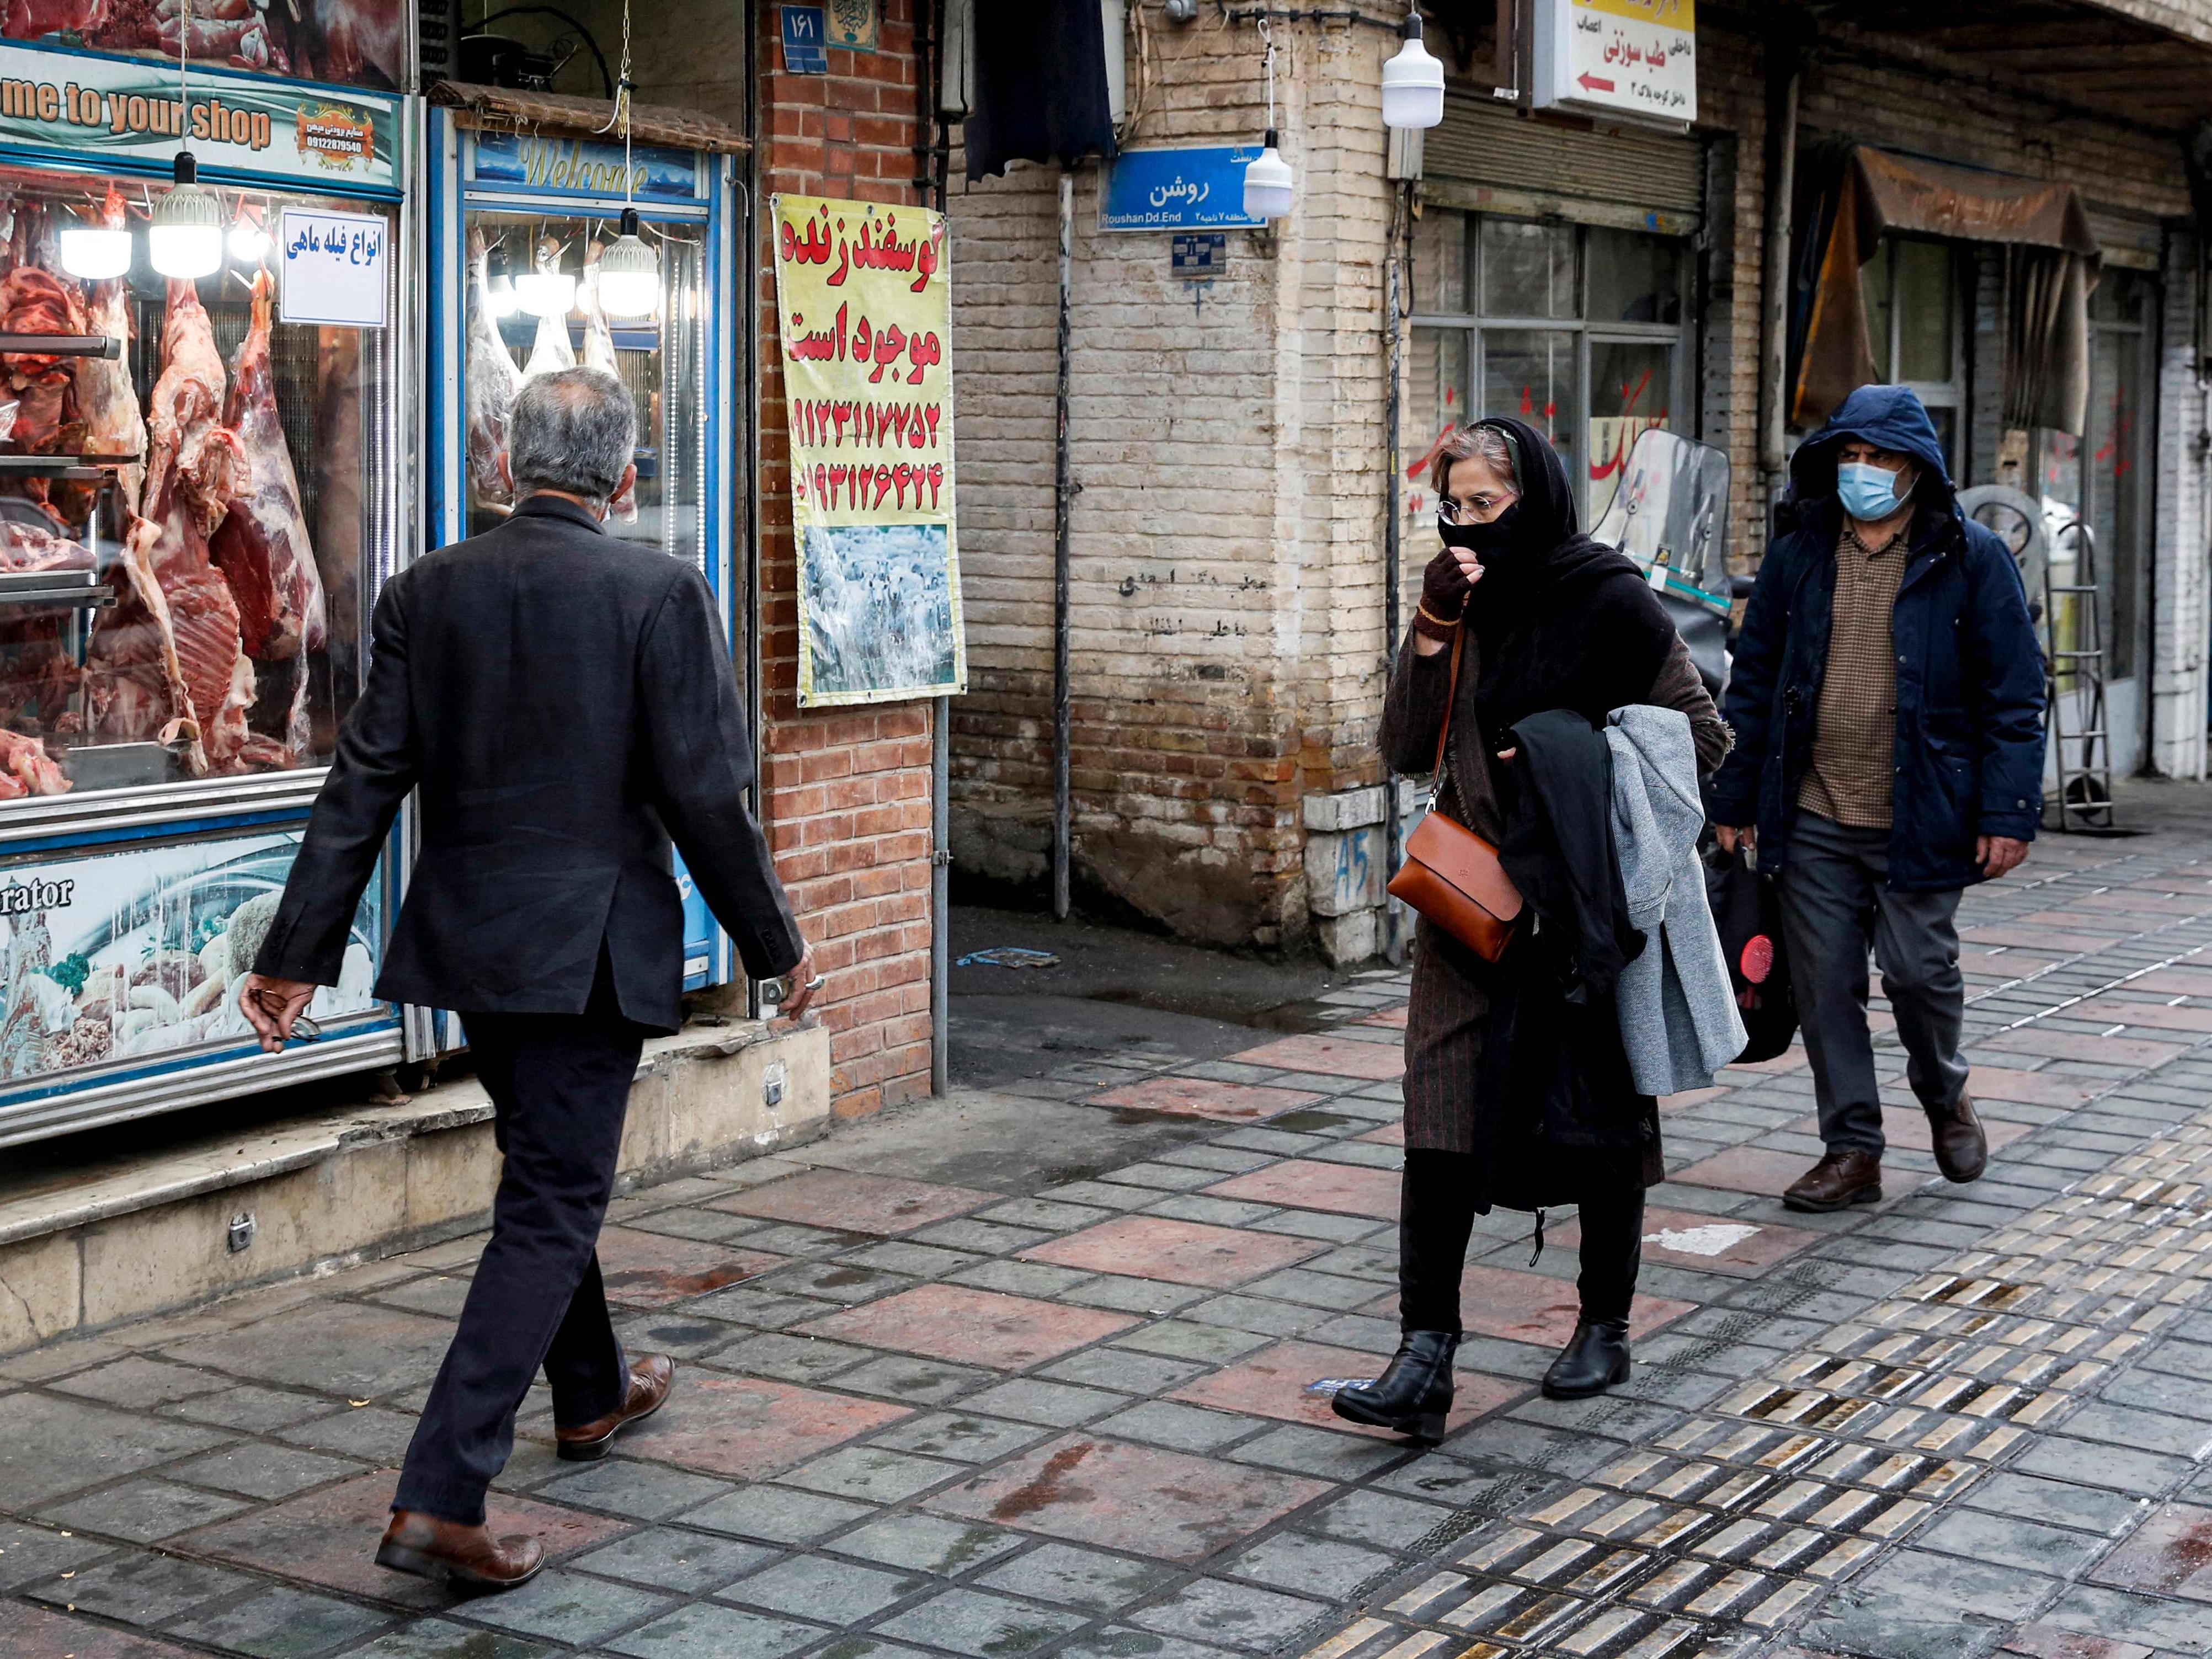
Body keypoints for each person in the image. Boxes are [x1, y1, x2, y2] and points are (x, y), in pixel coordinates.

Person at [238, 367, 818, 1589]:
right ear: (624, 476)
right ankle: (440, 1496)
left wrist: (294, 954)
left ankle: (595, 1390)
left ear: (507, 466)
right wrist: (776, 943)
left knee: (549, 1169)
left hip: (474, 953)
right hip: (592, 954)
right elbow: (706, 797)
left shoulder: (425, 592)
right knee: (550, 1199)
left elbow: (362, 783)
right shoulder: (661, 592)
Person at [1333, 418, 1731, 1441]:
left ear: (1536, 500)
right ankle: (1423, 1360)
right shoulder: (1459, 603)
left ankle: (1604, 1324)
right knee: (1438, 1121)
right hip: (1470, 908)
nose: (1465, 527)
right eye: (1452, 506)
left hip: (1581, 910)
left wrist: (1567, 754)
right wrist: (1429, 628)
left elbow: (1703, 736)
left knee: (1599, 1116)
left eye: (1484, 506)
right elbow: (1401, 745)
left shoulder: (1608, 598)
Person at [1711, 384, 2045, 1213]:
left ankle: (1943, 1096)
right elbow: (1753, 681)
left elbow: (2014, 696)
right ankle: (1851, 1149)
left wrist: (2006, 815)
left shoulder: (1970, 558)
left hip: (1923, 813)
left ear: (1916, 469)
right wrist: (1734, 792)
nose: (1862, 472)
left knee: (1919, 974)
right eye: (1849, 457)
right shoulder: (1800, 553)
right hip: (1814, 810)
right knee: (1825, 987)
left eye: (1880, 458)